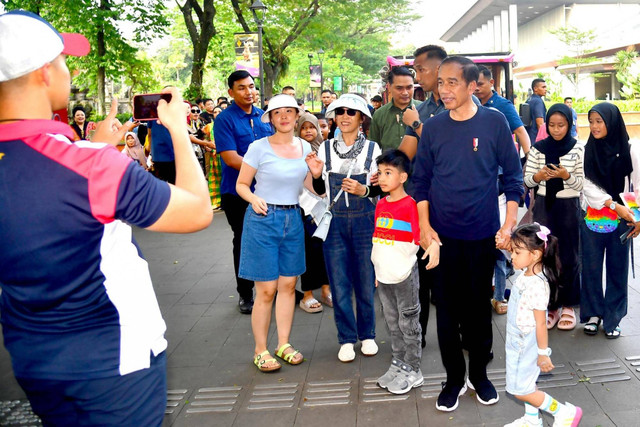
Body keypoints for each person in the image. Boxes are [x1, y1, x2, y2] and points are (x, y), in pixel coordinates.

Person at [0, 10, 212, 426]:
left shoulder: (84, 161)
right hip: (114, 364)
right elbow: (197, 211)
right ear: (44, 72)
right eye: (62, 60)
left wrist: (93, 148)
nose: (69, 68)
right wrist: (177, 131)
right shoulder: (91, 166)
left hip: (33, 360)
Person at [413, 56, 523, 412]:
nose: (443, 90)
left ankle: (480, 375)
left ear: (472, 85)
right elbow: (421, 183)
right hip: (441, 238)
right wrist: (426, 228)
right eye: (440, 82)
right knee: (446, 310)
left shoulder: (495, 123)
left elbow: (513, 179)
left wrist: (507, 226)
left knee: (478, 309)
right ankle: (453, 379)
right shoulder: (432, 128)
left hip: (481, 235)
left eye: (451, 83)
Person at [235, 95, 310, 371]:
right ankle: (260, 349)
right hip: (263, 219)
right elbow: (242, 184)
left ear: (296, 115)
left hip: (293, 217)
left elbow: (311, 188)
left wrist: (315, 173)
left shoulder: (305, 146)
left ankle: (283, 343)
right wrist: (253, 199)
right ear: (271, 118)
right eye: (277, 112)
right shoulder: (258, 147)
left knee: (289, 286)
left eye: (289, 111)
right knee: (266, 290)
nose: (284, 116)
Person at [306, 94, 383, 362]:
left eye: (352, 112)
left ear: (362, 118)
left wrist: (365, 189)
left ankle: (368, 334)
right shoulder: (325, 149)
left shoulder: (373, 149)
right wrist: (316, 176)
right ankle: (346, 338)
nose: (345, 116)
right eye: (340, 112)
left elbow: (381, 188)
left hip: (365, 220)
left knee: (365, 280)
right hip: (334, 222)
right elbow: (320, 191)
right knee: (339, 282)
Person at [373, 149, 439, 395]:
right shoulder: (380, 204)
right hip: (385, 275)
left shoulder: (412, 205)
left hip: (404, 276)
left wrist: (433, 248)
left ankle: (413, 369)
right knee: (392, 323)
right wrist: (377, 272)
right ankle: (398, 363)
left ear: (403, 177)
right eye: (380, 173)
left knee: (409, 323)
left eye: (388, 173)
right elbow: (378, 240)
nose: (382, 177)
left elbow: (422, 236)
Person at [504, 223, 583, 427]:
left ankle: (563, 412)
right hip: (517, 340)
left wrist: (542, 353)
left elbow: (541, 323)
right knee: (525, 384)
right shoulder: (525, 274)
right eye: (512, 250)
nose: (511, 256)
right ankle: (532, 420)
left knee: (520, 390)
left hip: (527, 343)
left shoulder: (537, 285)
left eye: (517, 252)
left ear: (536, 255)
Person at [215, 70, 273, 314]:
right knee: (244, 240)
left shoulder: (265, 117)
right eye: (242, 87)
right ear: (231, 92)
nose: (249, 92)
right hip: (237, 192)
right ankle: (245, 292)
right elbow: (230, 158)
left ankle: (272, 286)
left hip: (268, 191)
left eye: (251, 86)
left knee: (269, 239)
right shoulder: (224, 120)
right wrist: (266, 166)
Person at [580, 103, 640, 338]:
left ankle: (613, 318)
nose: (594, 126)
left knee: (618, 268)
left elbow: (638, 185)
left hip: (624, 219)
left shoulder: (630, 150)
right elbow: (586, 186)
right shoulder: (588, 150)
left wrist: (637, 217)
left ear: (611, 121)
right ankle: (594, 314)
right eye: (591, 121)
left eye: (599, 121)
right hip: (595, 215)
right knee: (592, 267)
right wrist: (612, 205)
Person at [523, 104, 584, 331]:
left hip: (569, 206)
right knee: (546, 255)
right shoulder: (538, 148)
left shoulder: (578, 148)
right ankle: (551, 305)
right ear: (546, 125)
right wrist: (539, 176)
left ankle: (568, 304)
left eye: (561, 125)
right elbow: (527, 181)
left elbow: (581, 184)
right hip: (544, 208)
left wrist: (565, 175)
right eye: (552, 125)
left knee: (570, 255)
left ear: (569, 125)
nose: (556, 130)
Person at [296, 113, 332, 313]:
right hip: (305, 208)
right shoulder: (295, 151)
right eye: (303, 127)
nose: (308, 131)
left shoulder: (327, 149)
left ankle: (326, 290)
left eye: (313, 127)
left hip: (326, 208)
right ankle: (307, 294)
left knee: (326, 251)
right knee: (309, 252)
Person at [369, 67, 421, 150]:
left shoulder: (424, 109)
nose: (405, 93)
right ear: (389, 87)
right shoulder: (379, 114)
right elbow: (373, 148)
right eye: (399, 88)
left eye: (409, 87)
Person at [525, 79, 547, 143]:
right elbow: (540, 123)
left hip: (529, 137)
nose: (545, 89)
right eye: (543, 87)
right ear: (535, 88)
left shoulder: (529, 100)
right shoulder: (538, 101)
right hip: (536, 139)